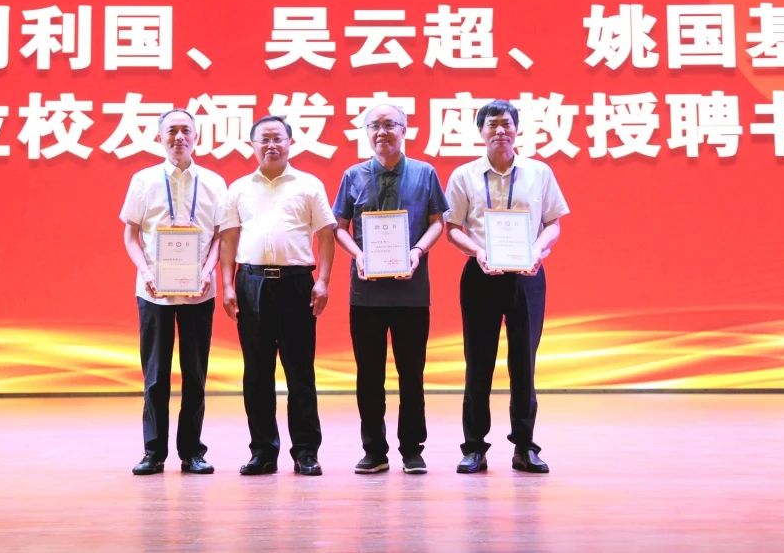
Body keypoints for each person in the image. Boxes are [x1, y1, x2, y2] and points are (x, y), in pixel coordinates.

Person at [444, 99, 570, 474]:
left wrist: (538, 249)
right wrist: (479, 251)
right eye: (492, 124)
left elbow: (554, 222)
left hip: (527, 277)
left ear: (517, 129)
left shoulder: (539, 172)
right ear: (481, 132)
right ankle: (474, 448)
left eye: (506, 124)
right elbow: (453, 228)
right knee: (477, 363)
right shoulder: (464, 175)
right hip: (480, 275)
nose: (500, 130)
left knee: (523, 364)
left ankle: (525, 447)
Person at [332, 104, 447, 475]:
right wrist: (358, 255)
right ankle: (374, 450)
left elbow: (437, 222)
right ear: (366, 132)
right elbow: (338, 227)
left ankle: (412, 449)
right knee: (369, 375)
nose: (382, 132)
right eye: (374, 126)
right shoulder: (353, 175)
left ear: (404, 129)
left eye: (389, 125)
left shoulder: (425, 173)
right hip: (366, 293)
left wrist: (417, 251)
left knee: (412, 374)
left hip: (411, 292)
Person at [219, 115, 336, 476]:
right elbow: (229, 238)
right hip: (251, 282)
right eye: (264, 139)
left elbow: (326, 235)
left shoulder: (309, 184)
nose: (271, 145)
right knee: (256, 372)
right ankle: (263, 452)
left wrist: (323, 280)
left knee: (300, 371)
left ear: (289, 143)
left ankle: (305, 452)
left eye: (278, 138)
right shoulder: (239, 188)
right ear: (252, 145)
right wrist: (227, 285)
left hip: (296, 283)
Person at [121, 109, 228, 475]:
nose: (179, 137)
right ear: (159, 137)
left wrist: (207, 271)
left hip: (199, 292)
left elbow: (220, 236)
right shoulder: (143, 180)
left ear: (196, 137)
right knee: (155, 376)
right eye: (172, 131)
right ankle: (153, 452)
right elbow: (130, 235)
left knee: (195, 374)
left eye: (186, 131)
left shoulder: (214, 182)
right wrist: (146, 271)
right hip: (154, 292)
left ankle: (192, 452)